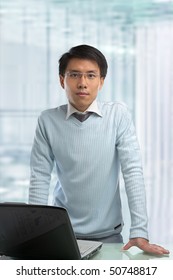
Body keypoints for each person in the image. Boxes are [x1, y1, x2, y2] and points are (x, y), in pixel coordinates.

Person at [29, 44, 169, 255]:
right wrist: (35, 232)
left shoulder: (118, 115)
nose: (82, 83)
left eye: (91, 75)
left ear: (101, 81)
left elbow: (132, 171)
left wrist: (139, 231)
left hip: (109, 235)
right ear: (62, 80)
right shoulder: (48, 120)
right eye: (74, 74)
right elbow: (40, 176)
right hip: (61, 232)